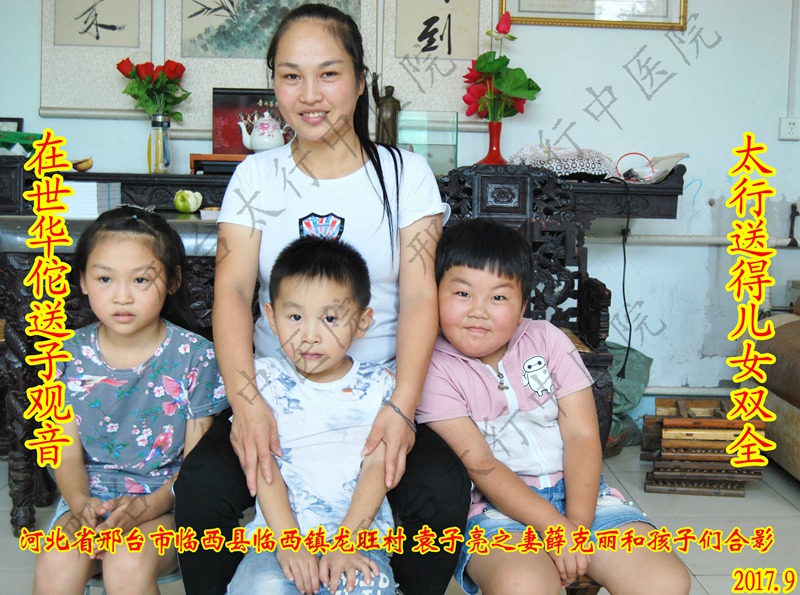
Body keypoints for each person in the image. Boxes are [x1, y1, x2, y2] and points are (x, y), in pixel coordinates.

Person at [173, 4, 470, 595]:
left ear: (360, 82)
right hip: (273, 391)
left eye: (329, 74)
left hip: (379, 391)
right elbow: (232, 291)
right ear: (275, 85)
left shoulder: (405, 175)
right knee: (201, 488)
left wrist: (401, 409)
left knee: (440, 490)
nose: (310, 95)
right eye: (291, 76)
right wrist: (247, 404)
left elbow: (420, 296)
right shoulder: (255, 177)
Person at [417, 219, 692, 595]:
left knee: (665, 583)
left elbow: (581, 434)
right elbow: (481, 463)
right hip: (498, 511)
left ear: (522, 307)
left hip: (583, 497)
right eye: (462, 293)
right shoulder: (432, 366)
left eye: (498, 297)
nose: (478, 311)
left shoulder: (547, 339)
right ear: (434, 294)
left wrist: (576, 527)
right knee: (523, 587)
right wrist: (552, 527)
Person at [33, 206, 228, 595]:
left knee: (126, 558)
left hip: (167, 505)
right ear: (83, 280)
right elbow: (65, 455)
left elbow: (197, 471)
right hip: (88, 501)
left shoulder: (195, 357)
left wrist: (143, 508)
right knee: (57, 558)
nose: (122, 296)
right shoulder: (63, 355)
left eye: (141, 279)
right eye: (105, 278)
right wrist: (81, 504)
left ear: (173, 281)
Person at [228, 236, 396, 595]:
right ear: (271, 318)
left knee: (367, 587)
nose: (310, 336)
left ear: (362, 322)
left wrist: (346, 542)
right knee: (261, 588)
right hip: (277, 539)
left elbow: (378, 468)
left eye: (330, 318)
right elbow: (264, 465)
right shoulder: (264, 381)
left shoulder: (380, 386)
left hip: (359, 539)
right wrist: (289, 541)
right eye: (295, 317)